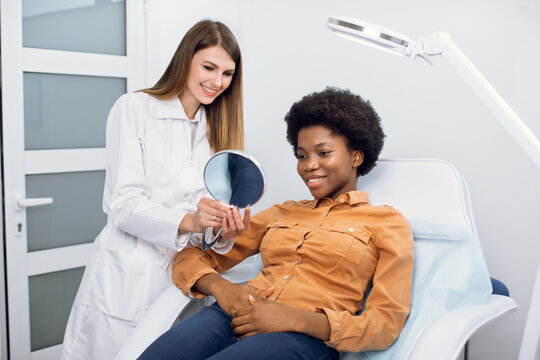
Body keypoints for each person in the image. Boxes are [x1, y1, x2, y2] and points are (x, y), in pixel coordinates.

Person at [138, 87, 414, 360]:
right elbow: (191, 256)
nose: (309, 165)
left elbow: (385, 324)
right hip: (233, 314)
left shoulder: (387, 223)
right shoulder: (282, 213)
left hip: (303, 337)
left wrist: (295, 319)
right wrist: (224, 290)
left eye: (323, 153)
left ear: (356, 156)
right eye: (302, 155)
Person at [61, 20, 250, 360]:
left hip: (183, 278)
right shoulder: (135, 109)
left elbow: (209, 232)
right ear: (185, 60)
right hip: (127, 274)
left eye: (227, 73)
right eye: (208, 67)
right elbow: (123, 205)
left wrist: (224, 230)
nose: (216, 82)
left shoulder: (221, 133)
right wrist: (190, 220)